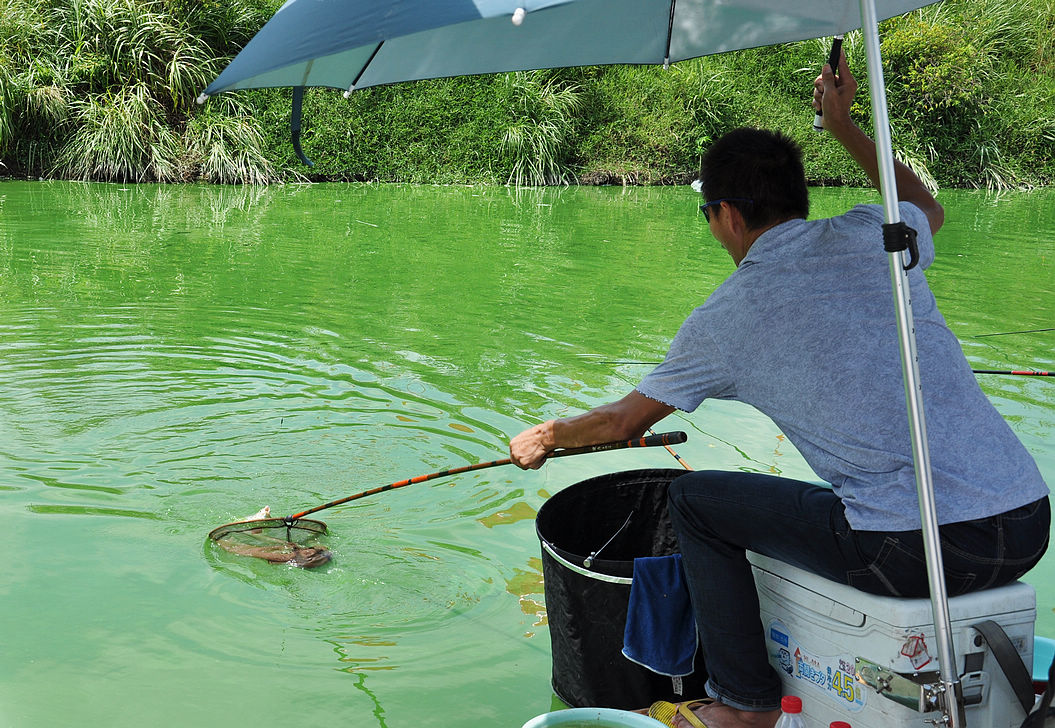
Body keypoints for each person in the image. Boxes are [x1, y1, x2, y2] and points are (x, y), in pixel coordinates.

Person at [509, 51, 1050, 728]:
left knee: (696, 499)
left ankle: (743, 706)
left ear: (727, 214)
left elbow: (623, 422)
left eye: (707, 214)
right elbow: (924, 207)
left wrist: (546, 436)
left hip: (911, 553)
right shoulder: (870, 236)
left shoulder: (725, 318)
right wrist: (843, 124)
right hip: (1026, 521)